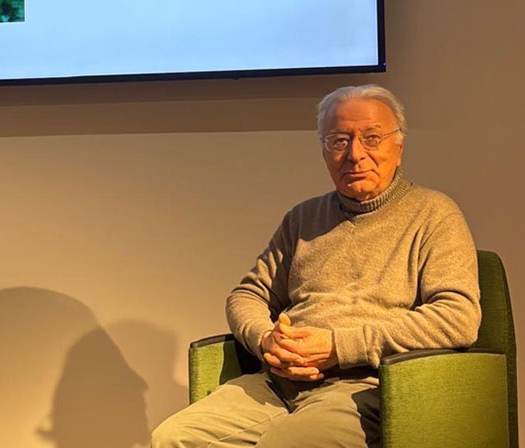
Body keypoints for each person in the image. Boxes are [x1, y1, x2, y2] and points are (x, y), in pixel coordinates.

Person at [151, 84, 481, 448]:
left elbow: (458, 317)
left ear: (399, 147)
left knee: (285, 444)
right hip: (276, 384)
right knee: (173, 438)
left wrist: (339, 347)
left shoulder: (434, 214)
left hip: (362, 387)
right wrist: (266, 339)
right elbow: (247, 294)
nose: (355, 154)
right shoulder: (303, 218)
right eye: (339, 141)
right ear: (324, 152)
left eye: (371, 138)